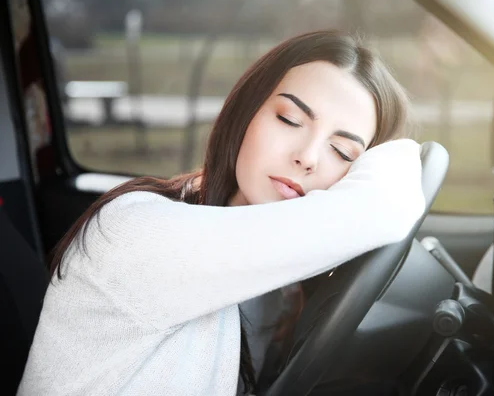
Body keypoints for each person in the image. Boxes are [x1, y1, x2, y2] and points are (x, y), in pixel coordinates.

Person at [18, 30, 425, 395]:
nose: (307, 157)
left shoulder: (278, 291)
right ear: (246, 113)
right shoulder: (135, 232)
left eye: (343, 152)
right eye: (289, 119)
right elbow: (388, 203)